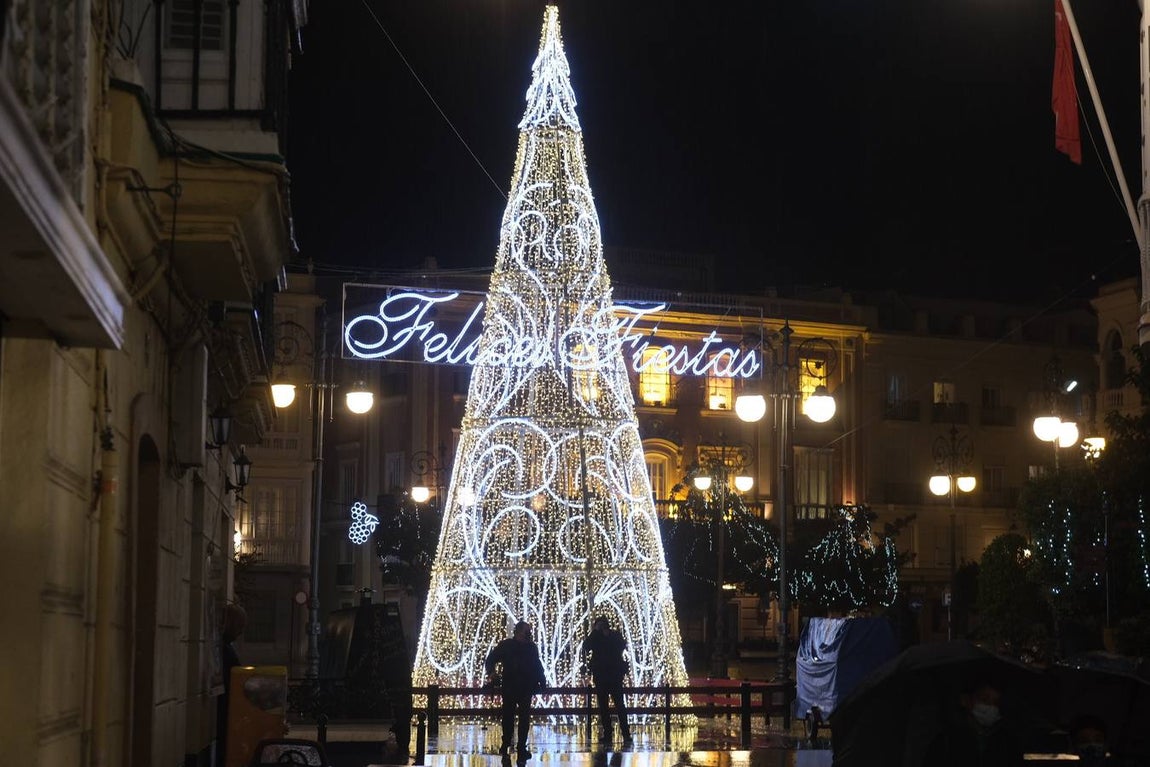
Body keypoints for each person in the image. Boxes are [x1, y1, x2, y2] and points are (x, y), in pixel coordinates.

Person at [921, 677, 1025, 767]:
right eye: (984, 699)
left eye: (996, 702)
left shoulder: (1008, 744)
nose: (991, 707)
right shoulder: (945, 742)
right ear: (965, 700)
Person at [485, 620, 547, 761]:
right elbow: (491, 659)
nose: (529, 634)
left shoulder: (531, 647)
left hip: (525, 687)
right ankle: (506, 743)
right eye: (527, 631)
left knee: (523, 718)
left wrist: (542, 681)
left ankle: (520, 746)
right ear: (519, 632)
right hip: (511, 686)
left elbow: (537, 665)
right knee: (508, 716)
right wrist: (492, 673)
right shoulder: (507, 645)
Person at [582, 616, 632, 746]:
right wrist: (595, 633)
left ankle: (626, 734)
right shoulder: (596, 638)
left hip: (614, 676)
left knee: (620, 706)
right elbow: (586, 646)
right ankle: (608, 734)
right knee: (604, 707)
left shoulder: (615, 636)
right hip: (602, 677)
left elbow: (622, 646)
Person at [217, 602, 247, 763]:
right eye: (239, 626)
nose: (241, 632)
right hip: (225, 709)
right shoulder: (226, 650)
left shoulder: (223, 647)